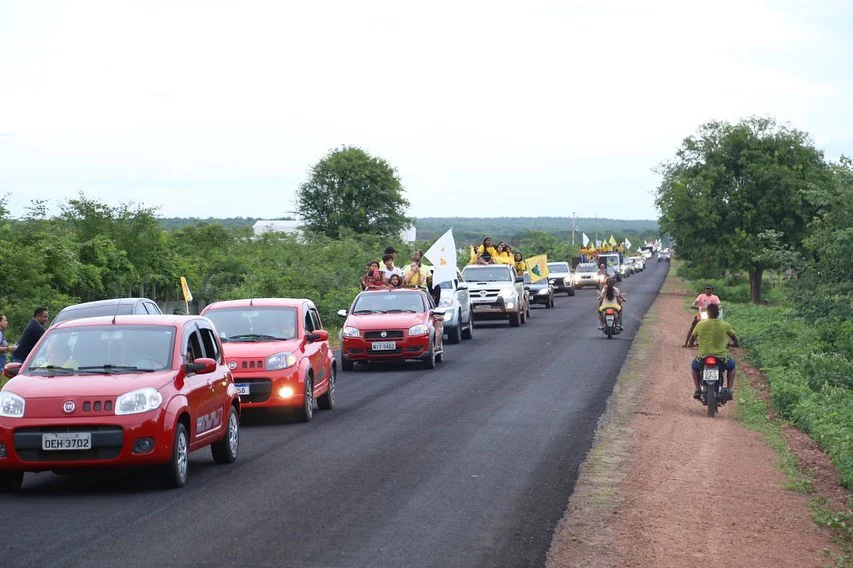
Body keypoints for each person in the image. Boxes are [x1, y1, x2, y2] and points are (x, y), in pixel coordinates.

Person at [687, 302, 739, 401]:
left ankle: (698, 390)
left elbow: (691, 340)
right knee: (732, 367)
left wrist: (691, 344)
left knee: (694, 367)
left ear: (708, 313)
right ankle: (728, 390)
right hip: (721, 358)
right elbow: (734, 337)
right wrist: (735, 344)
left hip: (703, 357)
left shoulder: (700, 325)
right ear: (718, 313)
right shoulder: (725, 325)